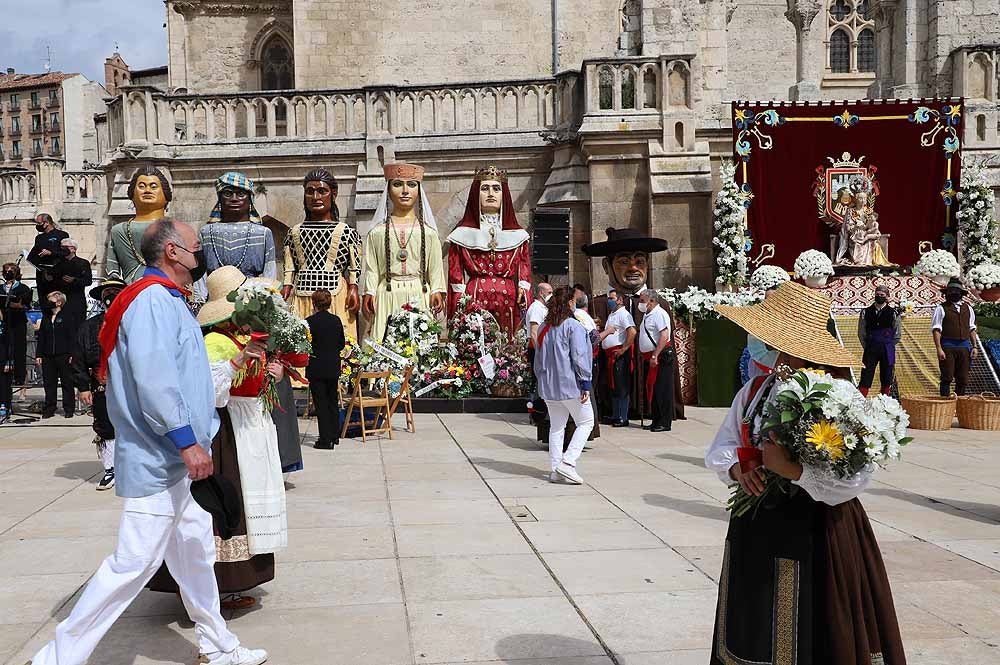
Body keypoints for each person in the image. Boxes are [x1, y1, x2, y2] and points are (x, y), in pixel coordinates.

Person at [28, 218, 268, 665]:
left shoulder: (167, 300)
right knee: (132, 563)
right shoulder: (153, 302)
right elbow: (155, 383)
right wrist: (186, 442)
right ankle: (56, 658)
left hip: (173, 460)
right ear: (173, 253)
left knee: (195, 554)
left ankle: (220, 646)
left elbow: (186, 376)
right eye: (196, 249)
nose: (201, 257)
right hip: (160, 459)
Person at [706, 281, 905, 665]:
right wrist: (737, 467)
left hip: (820, 529)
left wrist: (794, 471)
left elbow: (854, 479)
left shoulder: (840, 397)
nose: (776, 352)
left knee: (818, 626)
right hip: (757, 526)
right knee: (756, 621)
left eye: (779, 341)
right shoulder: (755, 390)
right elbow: (724, 444)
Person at [149, 266, 288, 610]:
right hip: (227, 430)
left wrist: (276, 372)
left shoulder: (242, 337)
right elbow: (206, 392)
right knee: (223, 505)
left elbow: (256, 377)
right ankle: (211, 585)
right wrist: (238, 362)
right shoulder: (214, 341)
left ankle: (230, 583)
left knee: (242, 503)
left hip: (250, 423)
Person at [584, 227, 684, 423]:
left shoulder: (660, 305)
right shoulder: (598, 305)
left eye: (640, 261)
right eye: (623, 261)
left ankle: (655, 410)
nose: (633, 268)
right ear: (607, 266)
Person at [361, 163, 447, 342]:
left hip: (418, 292)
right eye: (398, 184)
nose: (405, 190)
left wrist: (437, 290)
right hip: (387, 294)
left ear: (419, 190)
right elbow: (372, 268)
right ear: (389, 189)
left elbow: (435, 267)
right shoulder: (376, 232)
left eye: (412, 184)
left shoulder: (428, 233)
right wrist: (369, 291)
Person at [446, 165, 532, 336]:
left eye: (496, 188)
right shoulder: (462, 234)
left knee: (508, 346)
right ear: (476, 194)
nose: (491, 193)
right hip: (475, 296)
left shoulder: (518, 235)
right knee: (475, 341)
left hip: (508, 297)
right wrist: (459, 302)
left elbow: (525, 268)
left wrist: (523, 288)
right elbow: (455, 274)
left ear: (504, 195)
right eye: (485, 188)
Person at [282, 169, 362, 328]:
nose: (316, 197)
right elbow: (290, 266)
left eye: (322, 191)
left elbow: (355, 266)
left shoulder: (346, 232)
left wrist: (354, 288)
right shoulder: (294, 232)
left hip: (336, 295)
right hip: (302, 294)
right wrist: (286, 286)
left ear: (333, 194)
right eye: (310, 192)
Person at [534, 286, 594, 485]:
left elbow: (537, 360)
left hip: (549, 385)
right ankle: (567, 463)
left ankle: (554, 469)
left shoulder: (543, 328)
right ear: (569, 303)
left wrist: (541, 381)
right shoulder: (573, 326)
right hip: (570, 384)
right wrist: (585, 382)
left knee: (557, 427)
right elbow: (579, 356)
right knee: (586, 422)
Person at [73, 277, 127, 491]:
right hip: (102, 386)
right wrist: (84, 387)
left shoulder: (133, 322)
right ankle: (110, 469)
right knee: (105, 427)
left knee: (134, 425)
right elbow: (78, 358)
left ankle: (132, 466)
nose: (110, 297)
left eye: (114, 292)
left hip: (130, 386)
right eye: (106, 293)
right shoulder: (89, 327)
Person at [106, 164, 172, 283]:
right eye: (141, 186)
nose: (147, 190)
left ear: (166, 195)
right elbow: (112, 270)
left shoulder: (176, 227)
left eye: (153, 186)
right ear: (132, 194)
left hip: (168, 288)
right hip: (132, 289)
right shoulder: (119, 231)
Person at [306, 289, 346, 449]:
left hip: (316, 368)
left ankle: (325, 439)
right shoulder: (336, 320)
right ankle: (334, 435)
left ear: (314, 303)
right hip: (332, 366)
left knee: (321, 404)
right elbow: (341, 343)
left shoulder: (309, 321)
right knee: (332, 402)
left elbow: (305, 344)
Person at [932, 278, 979, 397]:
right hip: (947, 347)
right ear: (946, 293)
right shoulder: (941, 308)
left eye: (956, 291)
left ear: (961, 293)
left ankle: (960, 405)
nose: (953, 293)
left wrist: (974, 346)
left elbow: (972, 328)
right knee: (947, 377)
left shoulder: (968, 308)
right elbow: (936, 329)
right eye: (951, 291)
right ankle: (945, 405)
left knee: (962, 378)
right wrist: (939, 348)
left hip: (965, 347)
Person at [35, 290, 76, 419]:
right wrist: (39, 354)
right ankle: (50, 408)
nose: (48, 303)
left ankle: (69, 408)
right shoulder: (46, 317)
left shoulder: (68, 316)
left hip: (63, 354)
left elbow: (72, 337)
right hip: (48, 355)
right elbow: (41, 337)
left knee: (67, 382)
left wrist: (72, 354)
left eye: (50, 300)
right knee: (49, 383)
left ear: (59, 302)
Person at [637, 290, 674, 432]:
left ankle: (664, 422)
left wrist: (655, 355)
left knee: (662, 389)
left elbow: (664, 335)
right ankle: (656, 420)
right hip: (651, 357)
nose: (640, 303)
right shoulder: (648, 315)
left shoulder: (659, 314)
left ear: (651, 301)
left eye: (642, 300)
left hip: (660, 357)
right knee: (654, 389)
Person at [599, 288, 636, 427]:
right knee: (613, 386)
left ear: (620, 300)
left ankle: (623, 416)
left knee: (621, 386)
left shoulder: (623, 314)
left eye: (612, 298)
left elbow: (632, 331)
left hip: (619, 355)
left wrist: (624, 349)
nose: (609, 301)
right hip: (610, 355)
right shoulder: (612, 314)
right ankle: (615, 414)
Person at [858, 284, 901, 396]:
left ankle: (884, 401)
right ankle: (861, 400)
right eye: (877, 294)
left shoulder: (894, 313)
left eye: (882, 295)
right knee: (866, 375)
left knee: (886, 375)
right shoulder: (865, 312)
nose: (879, 296)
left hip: (887, 347)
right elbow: (861, 332)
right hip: (871, 347)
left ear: (887, 296)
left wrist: (889, 343)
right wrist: (867, 345)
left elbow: (897, 333)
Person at [1, 262, 32, 390]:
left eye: (11, 270)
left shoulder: (23, 288)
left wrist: (20, 306)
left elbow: (27, 304)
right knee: (3, 348)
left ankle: (19, 377)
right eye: (6, 270)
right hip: (4, 322)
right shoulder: (0, 288)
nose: (8, 272)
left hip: (18, 321)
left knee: (19, 348)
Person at [27, 213, 69, 301]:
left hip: (56, 273)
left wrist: (51, 253)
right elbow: (35, 252)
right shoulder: (39, 238)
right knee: (43, 300)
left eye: (39, 223)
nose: (37, 226)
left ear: (46, 223)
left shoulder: (61, 235)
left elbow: (66, 252)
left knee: (56, 299)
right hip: (42, 273)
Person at [53, 238, 93, 325]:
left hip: (76, 299)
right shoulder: (58, 264)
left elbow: (88, 281)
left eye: (65, 247)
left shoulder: (83, 263)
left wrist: (74, 280)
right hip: (62, 300)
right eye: (61, 247)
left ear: (73, 249)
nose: (62, 249)